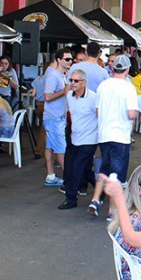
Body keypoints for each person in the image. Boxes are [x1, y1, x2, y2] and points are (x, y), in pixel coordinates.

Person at [89, 55, 140, 218]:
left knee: (105, 168)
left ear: (112, 68)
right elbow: (131, 114)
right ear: (127, 69)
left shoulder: (103, 86)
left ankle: (95, 200)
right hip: (120, 135)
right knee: (117, 174)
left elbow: (97, 110)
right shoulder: (128, 88)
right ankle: (112, 210)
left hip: (104, 134)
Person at [57, 68, 100, 210]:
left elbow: (100, 116)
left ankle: (71, 198)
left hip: (89, 140)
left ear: (84, 82)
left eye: (76, 81)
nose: (73, 83)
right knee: (84, 169)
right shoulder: (69, 96)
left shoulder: (93, 98)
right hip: (74, 138)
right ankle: (102, 189)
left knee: (76, 168)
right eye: (71, 80)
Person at [42, 48, 73, 187]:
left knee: (50, 147)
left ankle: (50, 176)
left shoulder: (62, 75)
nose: (70, 61)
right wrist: (64, 91)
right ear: (59, 60)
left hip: (57, 117)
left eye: (71, 59)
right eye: (67, 59)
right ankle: (70, 181)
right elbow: (47, 96)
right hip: (54, 118)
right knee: (61, 150)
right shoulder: (53, 76)